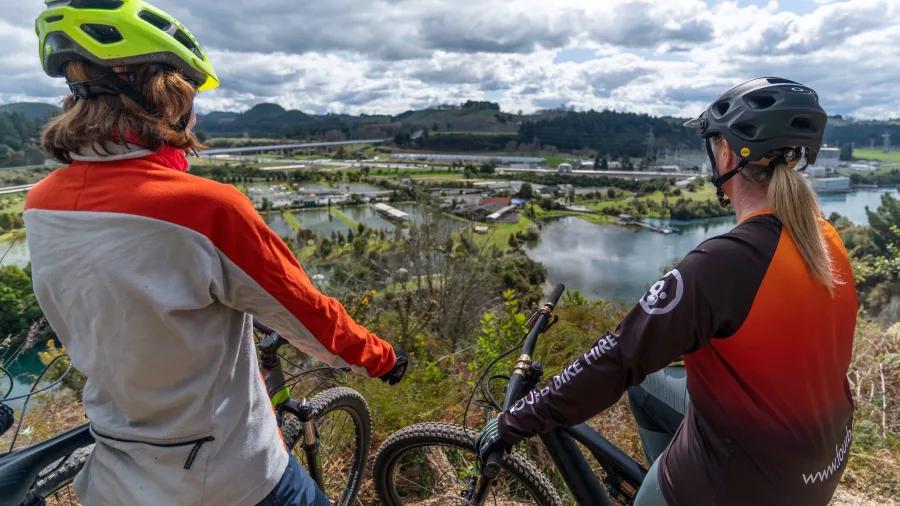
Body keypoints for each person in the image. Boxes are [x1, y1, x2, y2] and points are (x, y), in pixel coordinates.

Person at [28, 1, 407, 505]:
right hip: (226, 477)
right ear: (168, 97)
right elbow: (310, 316)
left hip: (115, 473)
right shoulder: (204, 208)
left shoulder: (41, 202)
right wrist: (383, 358)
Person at [476, 77, 858, 506]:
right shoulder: (824, 238)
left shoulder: (723, 263)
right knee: (649, 384)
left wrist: (518, 419)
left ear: (726, 152)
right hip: (824, 454)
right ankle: (661, 479)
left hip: (751, 483)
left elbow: (618, 355)